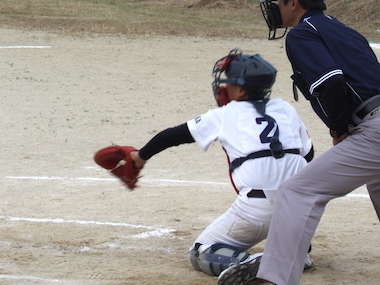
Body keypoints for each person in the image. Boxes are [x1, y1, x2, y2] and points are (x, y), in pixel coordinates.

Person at [218, 0, 380, 285]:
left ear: (294, 2)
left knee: (297, 191)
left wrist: (339, 129)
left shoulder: (302, 34)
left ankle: (275, 279)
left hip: (373, 130)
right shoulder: (344, 30)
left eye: (278, 0)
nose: (274, 7)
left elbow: (331, 81)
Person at [127, 48, 314, 279]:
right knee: (292, 186)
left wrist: (140, 157)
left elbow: (171, 136)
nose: (223, 87)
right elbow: (308, 155)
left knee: (202, 251)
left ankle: (257, 262)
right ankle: (294, 250)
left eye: (229, 83)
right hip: (300, 209)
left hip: (256, 211)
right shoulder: (286, 109)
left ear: (241, 90)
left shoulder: (226, 113)